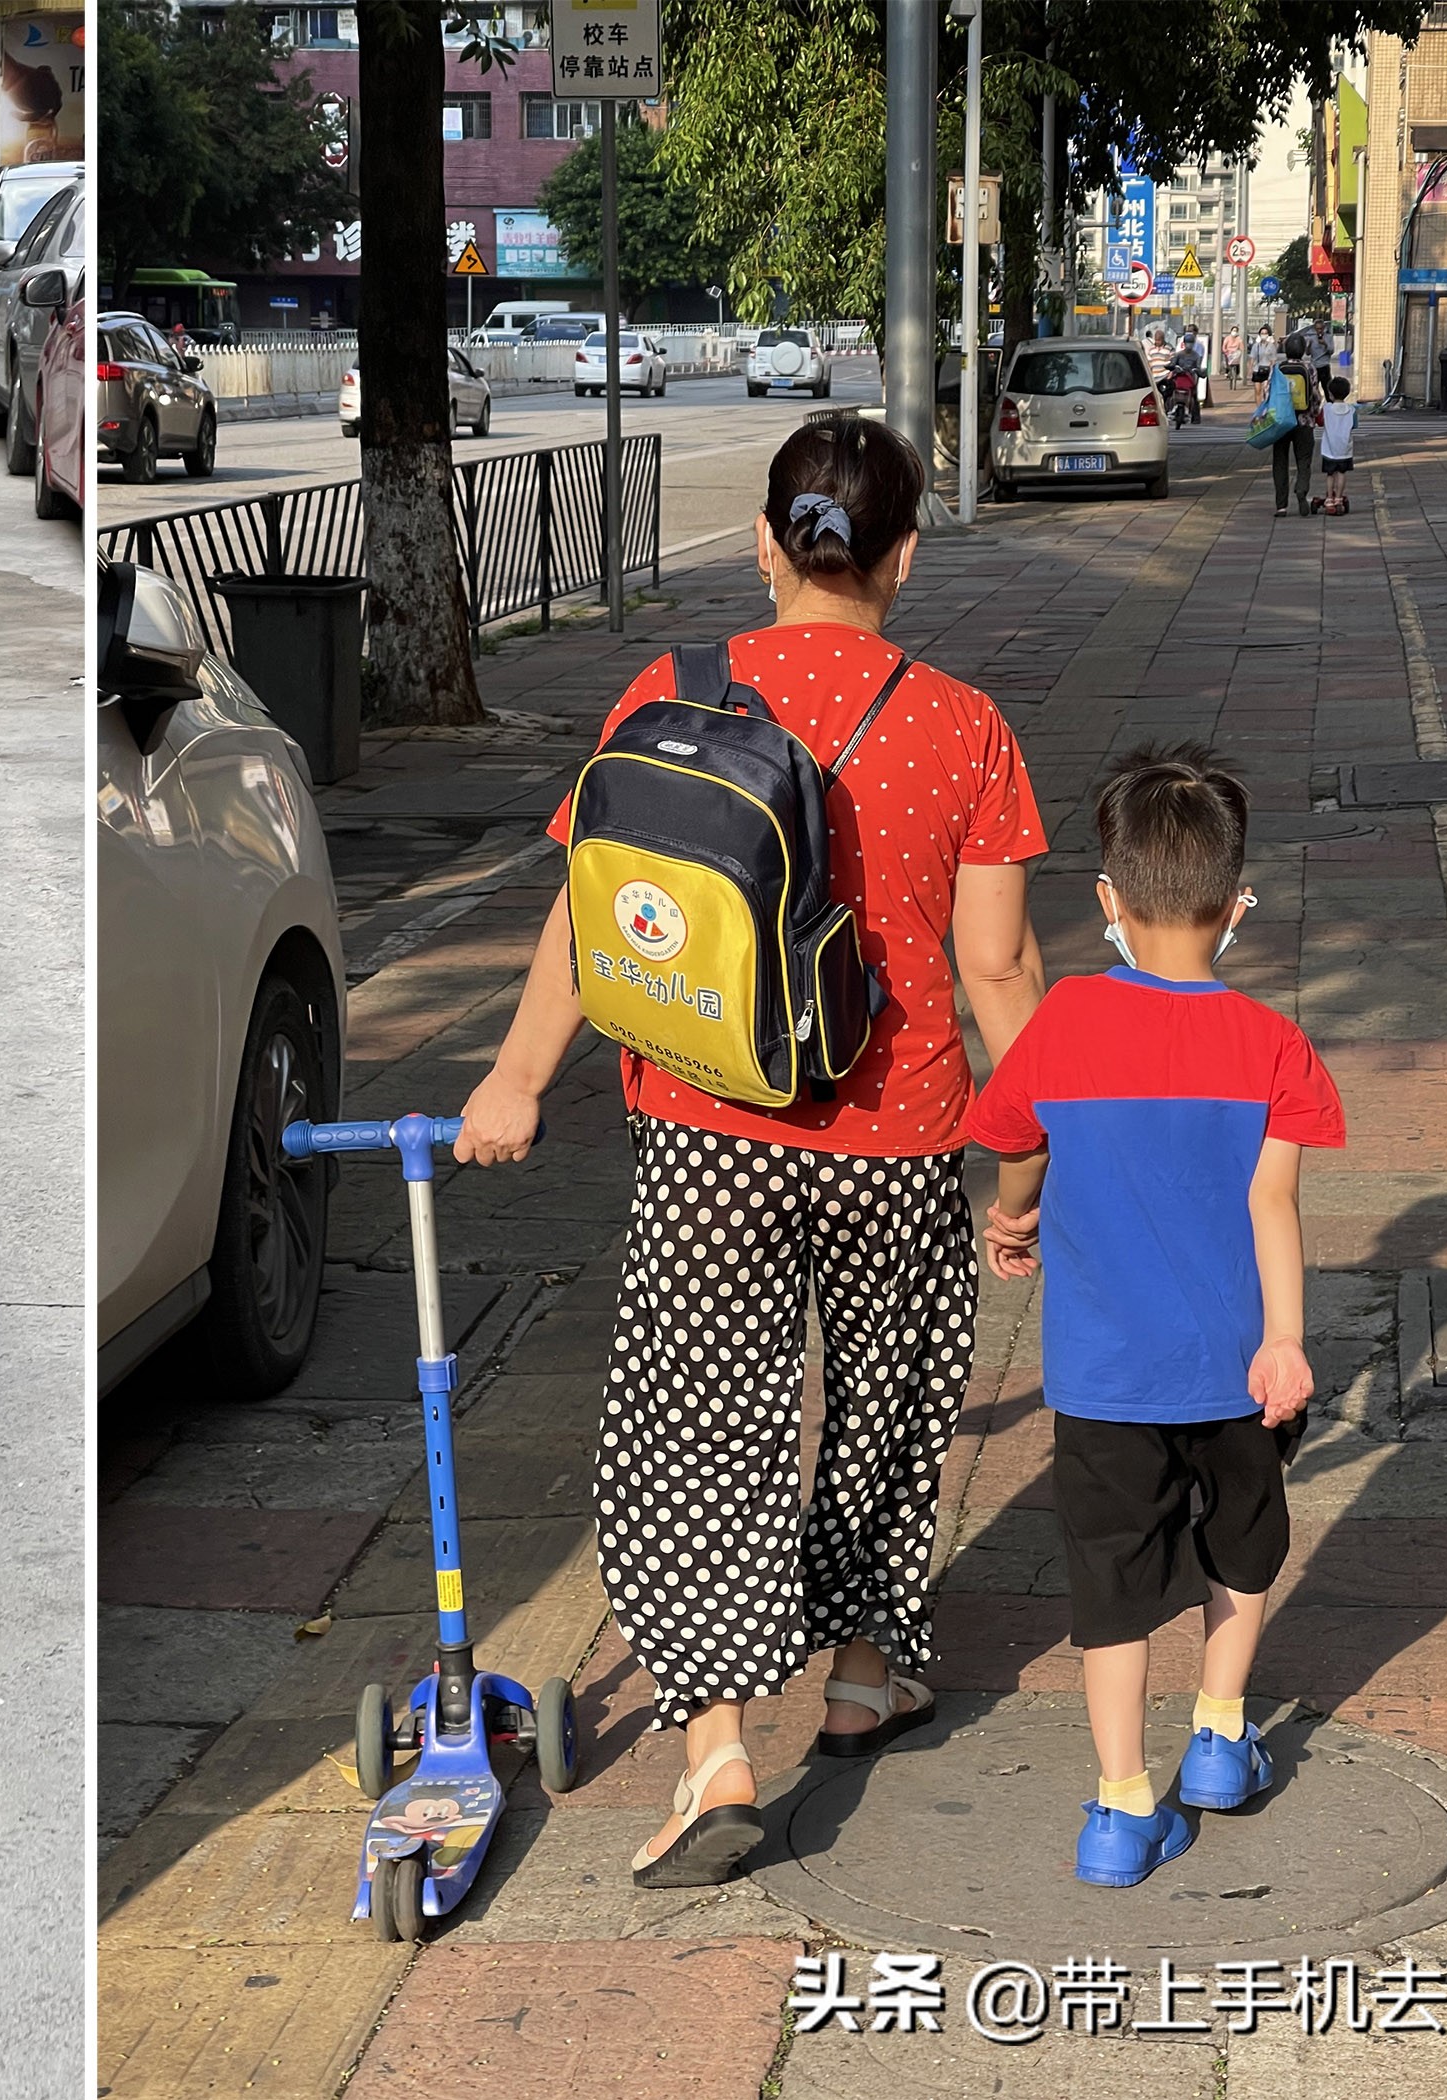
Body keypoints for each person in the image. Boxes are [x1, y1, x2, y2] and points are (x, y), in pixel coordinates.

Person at [451, 414, 1048, 1888]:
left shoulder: (669, 690)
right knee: (887, 1413)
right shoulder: (962, 724)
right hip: (896, 1131)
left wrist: (516, 1082)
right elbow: (1000, 976)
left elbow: (598, 915)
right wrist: (1028, 1163)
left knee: (693, 1425)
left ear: (767, 546)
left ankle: (715, 1747)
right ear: (901, 558)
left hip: (704, 1128)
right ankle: (859, 1673)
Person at [966, 745, 1341, 1889]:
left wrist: (1014, 1221)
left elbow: (1019, 1147)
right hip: (1237, 1368)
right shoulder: (1274, 1044)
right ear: (1236, 909)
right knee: (1242, 1549)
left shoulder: (1067, 1022)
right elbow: (1272, 1200)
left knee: (1113, 1589)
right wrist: (1284, 1337)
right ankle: (1223, 1739)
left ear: (1107, 902)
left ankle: (1121, 1809)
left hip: (1102, 1379)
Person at [1261, 331, 1320, 517]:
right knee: (1304, 460)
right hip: (1304, 421)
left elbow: (1267, 394)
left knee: (1280, 461)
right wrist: (1314, 414)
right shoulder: (1309, 368)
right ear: (1303, 350)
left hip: (1281, 422)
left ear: (1285, 350)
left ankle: (1281, 505)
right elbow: (1315, 396)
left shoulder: (1277, 368)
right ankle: (1301, 489)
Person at [1315, 374, 1357, 513]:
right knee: (1341, 473)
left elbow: (1320, 422)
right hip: (1345, 448)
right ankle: (1339, 498)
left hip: (1329, 448)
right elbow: (1354, 425)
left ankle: (1329, 499)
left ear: (1330, 394)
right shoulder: (1352, 410)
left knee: (1330, 474)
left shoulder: (1327, 409)